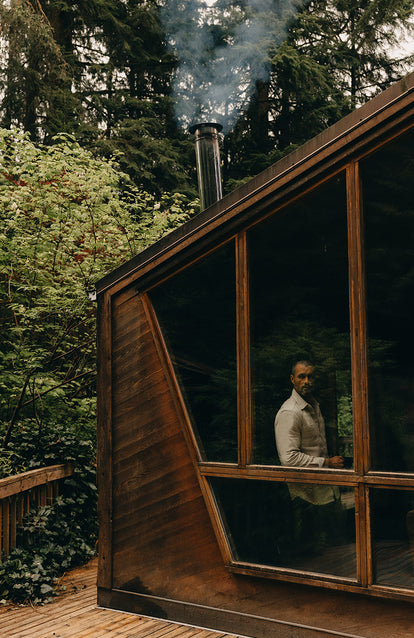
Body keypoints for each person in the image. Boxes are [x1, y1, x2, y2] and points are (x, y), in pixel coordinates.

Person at [275, 360, 345, 558]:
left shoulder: (314, 406)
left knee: (329, 549)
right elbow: (288, 458)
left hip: (323, 491)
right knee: (312, 553)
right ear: (292, 380)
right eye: (301, 376)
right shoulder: (290, 412)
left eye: (310, 376)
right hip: (306, 496)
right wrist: (327, 463)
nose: (307, 381)